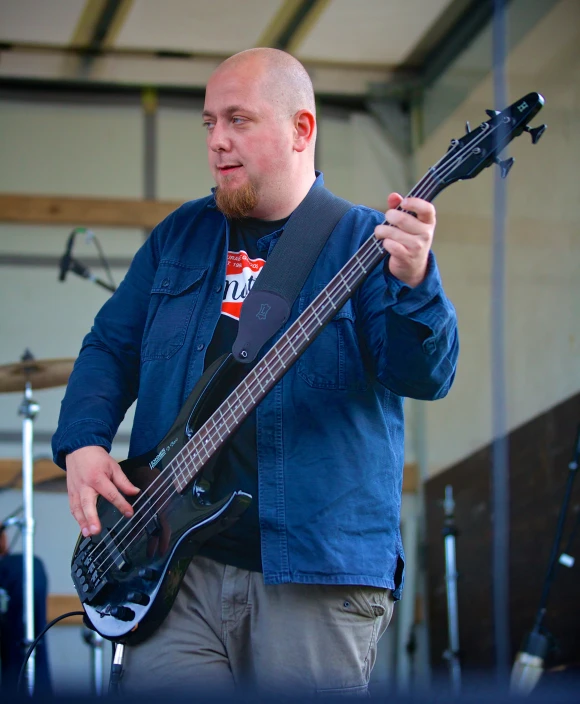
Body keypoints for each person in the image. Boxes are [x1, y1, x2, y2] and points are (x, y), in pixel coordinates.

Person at [52, 47, 459, 696]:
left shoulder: (364, 242)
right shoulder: (179, 235)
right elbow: (110, 346)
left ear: (301, 129)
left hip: (316, 574)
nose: (217, 141)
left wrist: (415, 284)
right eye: (209, 123)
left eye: (238, 120)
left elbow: (425, 375)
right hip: (174, 572)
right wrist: (83, 442)